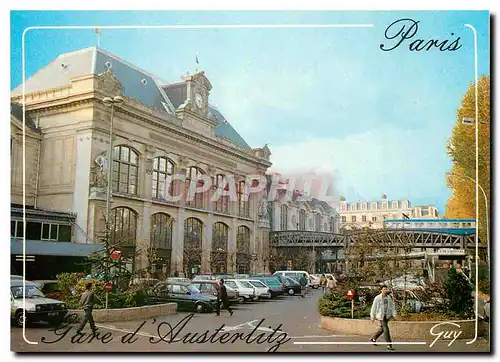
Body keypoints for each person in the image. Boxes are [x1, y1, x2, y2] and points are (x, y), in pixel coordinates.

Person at [370, 285, 397, 351]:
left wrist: (394, 314)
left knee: (382, 329)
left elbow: (392, 306)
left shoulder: (388, 298)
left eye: (386, 289)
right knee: (386, 329)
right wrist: (372, 316)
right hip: (381, 316)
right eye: (384, 289)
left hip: (387, 316)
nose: (385, 290)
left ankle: (373, 338)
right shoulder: (377, 298)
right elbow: (374, 307)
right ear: (381, 290)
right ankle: (389, 345)